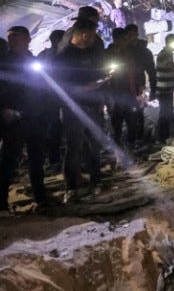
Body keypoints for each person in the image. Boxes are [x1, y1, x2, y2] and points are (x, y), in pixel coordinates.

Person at [55, 19, 109, 201]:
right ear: (84, 34)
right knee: (74, 148)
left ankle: (96, 181)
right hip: (72, 109)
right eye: (93, 35)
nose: (95, 38)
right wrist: (84, 89)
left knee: (94, 146)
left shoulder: (92, 54)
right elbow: (59, 87)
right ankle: (71, 186)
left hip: (93, 106)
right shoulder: (63, 57)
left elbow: (97, 76)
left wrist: (101, 94)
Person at [0, 26, 48, 214]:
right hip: (14, 119)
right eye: (11, 39)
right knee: (9, 161)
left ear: (28, 39)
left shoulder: (35, 63)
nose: (15, 43)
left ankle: (41, 198)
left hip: (36, 117)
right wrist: (3, 109)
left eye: (18, 39)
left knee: (37, 160)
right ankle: (1, 203)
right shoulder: (4, 64)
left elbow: (44, 89)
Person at [105, 28, 138, 150]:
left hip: (129, 92)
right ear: (116, 39)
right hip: (115, 93)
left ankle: (131, 147)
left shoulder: (128, 53)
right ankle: (117, 148)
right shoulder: (107, 54)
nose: (126, 41)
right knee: (116, 122)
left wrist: (137, 89)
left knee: (132, 121)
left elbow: (133, 72)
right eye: (124, 39)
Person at [38, 29, 66, 170]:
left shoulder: (69, 54)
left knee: (70, 127)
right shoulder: (44, 56)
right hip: (50, 97)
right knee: (54, 128)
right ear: (56, 40)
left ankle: (69, 158)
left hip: (66, 95)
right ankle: (55, 159)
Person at [125, 24, 156, 143]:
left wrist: (153, 90)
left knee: (138, 112)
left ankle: (138, 138)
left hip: (138, 87)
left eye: (133, 35)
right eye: (129, 35)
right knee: (127, 113)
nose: (131, 38)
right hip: (123, 87)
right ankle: (130, 139)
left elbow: (152, 71)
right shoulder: (122, 49)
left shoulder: (143, 51)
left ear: (137, 34)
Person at [156, 34, 174, 143]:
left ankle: (164, 137)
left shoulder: (168, 54)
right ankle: (160, 138)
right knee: (164, 114)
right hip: (164, 91)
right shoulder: (165, 55)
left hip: (167, 90)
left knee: (167, 113)